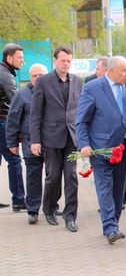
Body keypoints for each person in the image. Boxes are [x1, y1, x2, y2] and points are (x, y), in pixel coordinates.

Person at [76, 56, 126, 244]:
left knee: (118, 189)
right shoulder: (93, 88)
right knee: (104, 187)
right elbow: (81, 119)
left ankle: (113, 223)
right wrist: (84, 144)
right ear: (111, 70)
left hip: (123, 146)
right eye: (123, 70)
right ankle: (110, 227)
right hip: (100, 148)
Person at [30, 46, 82, 232]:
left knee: (71, 177)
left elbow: (80, 111)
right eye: (62, 60)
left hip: (71, 137)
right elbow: (35, 113)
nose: (66, 64)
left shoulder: (77, 81)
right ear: (55, 61)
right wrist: (35, 140)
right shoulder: (43, 82)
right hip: (50, 137)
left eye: (69, 61)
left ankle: (70, 216)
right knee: (52, 177)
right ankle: (50, 209)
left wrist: (83, 137)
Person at [6, 64, 48, 224]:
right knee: (33, 178)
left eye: (41, 75)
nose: (38, 78)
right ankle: (33, 210)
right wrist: (12, 142)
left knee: (53, 177)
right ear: (30, 77)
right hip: (30, 143)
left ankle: (52, 206)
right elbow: (13, 119)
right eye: (35, 75)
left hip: (51, 142)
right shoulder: (21, 95)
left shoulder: (51, 92)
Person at [0, 43, 25, 211]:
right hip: (3, 121)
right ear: (9, 58)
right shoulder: (6, 76)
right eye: (19, 58)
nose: (22, 61)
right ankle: (18, 200)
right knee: (14, 159)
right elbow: (15, 102)